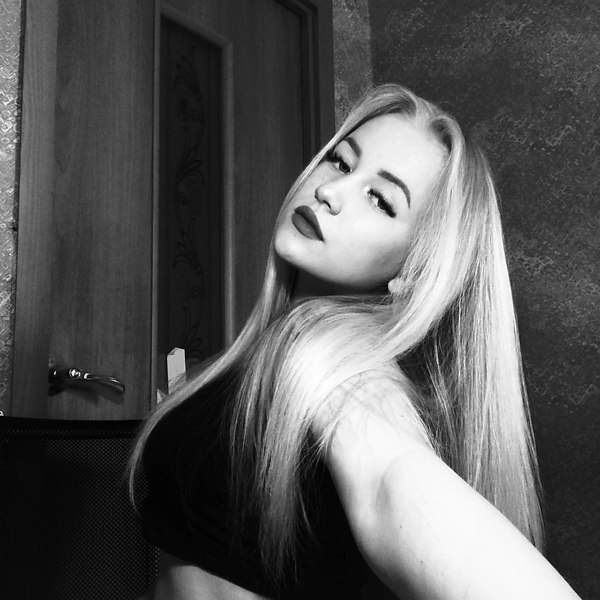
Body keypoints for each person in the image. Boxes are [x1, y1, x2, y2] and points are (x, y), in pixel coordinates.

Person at [129, 84, 580, 600]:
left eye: (380, 200)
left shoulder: (346, 379)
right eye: (341, 162)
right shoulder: (275, 348)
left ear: (413, 271)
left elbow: (390, 480)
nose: (331, 191)